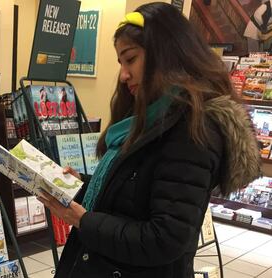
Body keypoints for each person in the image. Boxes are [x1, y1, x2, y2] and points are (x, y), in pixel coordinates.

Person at [37, 2, 261, 278]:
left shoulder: (192, 128)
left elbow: (164, 238)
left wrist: (83, 221)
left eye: (130, 59)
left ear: (164, 53)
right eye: (121, 62)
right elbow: (136, 192)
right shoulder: (148, 115)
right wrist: (82, 185)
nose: (123, 75)